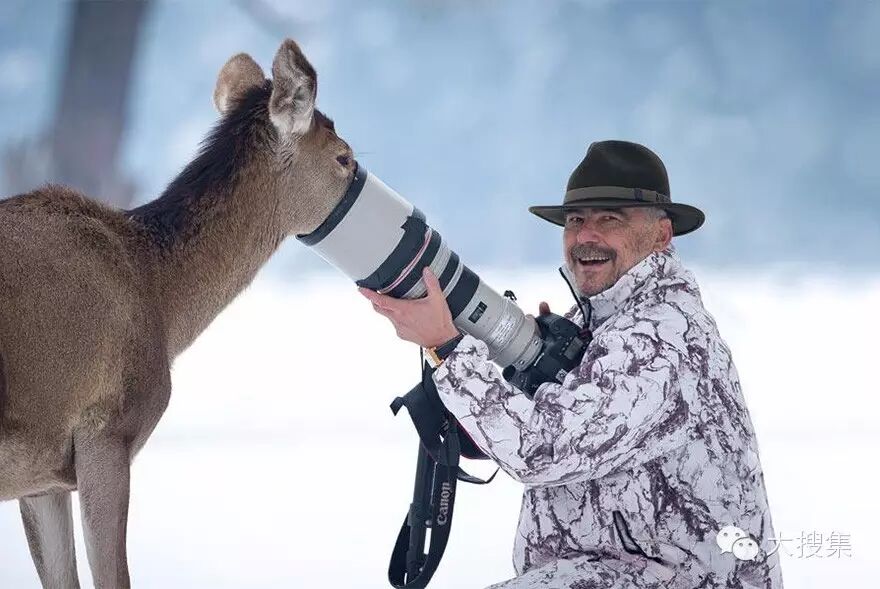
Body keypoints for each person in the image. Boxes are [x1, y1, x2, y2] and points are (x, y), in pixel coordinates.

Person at [360, 140, 783, 588]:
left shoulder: (663, 338)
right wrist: (522, 374)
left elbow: (541, 450)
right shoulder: (603, 322)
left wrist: (448, 348)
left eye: (609, 220)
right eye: (576, 220)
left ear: (661, 236)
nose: (585, 236)